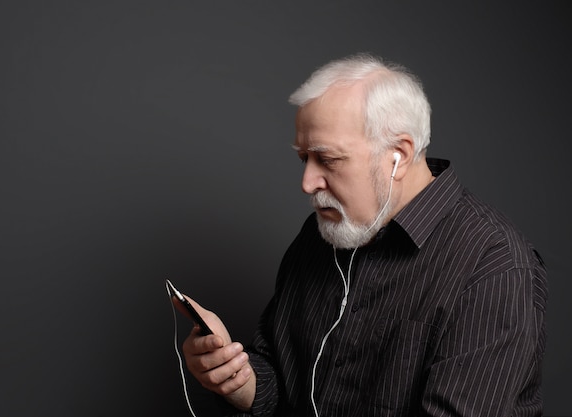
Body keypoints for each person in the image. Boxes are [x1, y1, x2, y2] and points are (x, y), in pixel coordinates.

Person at [176, 53, 548, 416]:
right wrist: (237, 381)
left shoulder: (493, 265)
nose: (307, 183)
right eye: (304, 158)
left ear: (398, 155)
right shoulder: (321, 234)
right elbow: (280, 379)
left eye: (329, 159)